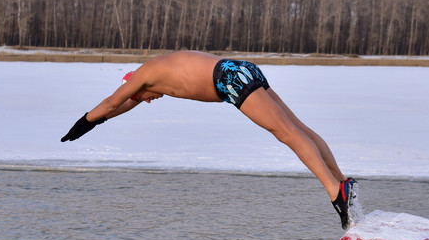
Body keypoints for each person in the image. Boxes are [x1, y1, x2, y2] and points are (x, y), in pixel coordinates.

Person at [61, 50, 357, 228]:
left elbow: (114, 102)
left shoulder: (142, 77)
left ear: (134, 86)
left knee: (286, 134)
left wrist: (83, 124)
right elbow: (125, 105)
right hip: (241, 68)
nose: (148, 101)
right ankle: (343, 182)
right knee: (298, 127)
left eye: (143, 98)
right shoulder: (155, 73)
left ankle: (335, 192)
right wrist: (99, 121)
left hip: (228, 79)